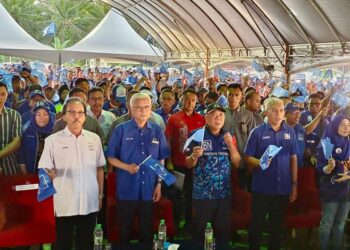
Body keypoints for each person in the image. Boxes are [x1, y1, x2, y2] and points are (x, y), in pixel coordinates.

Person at [38, 97, 105, 250]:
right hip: (63, 203)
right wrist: (48, 176)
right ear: (64, 116)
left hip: (89, 200)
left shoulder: (94, 139)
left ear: (85, 116)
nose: (76, 116)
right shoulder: (53, 140)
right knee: (62, 243)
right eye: (72, 112)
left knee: (86, 242)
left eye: (80, 112)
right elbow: (43, 170)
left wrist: (100, 195)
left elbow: (99, 168)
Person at [107, 93, 170, 248]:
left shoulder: (157, 130)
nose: (143, 111)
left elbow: (161, 158)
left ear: (151, 108)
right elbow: (111, 158)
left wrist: (160, 184)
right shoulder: (120, 129)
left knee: (146, 232)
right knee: (124, 232)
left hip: (149, 188)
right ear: (131, 109)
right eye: (139, 108)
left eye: (146, 107)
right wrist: (126, 167)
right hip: (127, 188)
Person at [244, 97, 298, 250]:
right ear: (266, 112)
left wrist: (294, 185)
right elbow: (247, 157)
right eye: (275, 110)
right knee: (257, 225)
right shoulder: (257, 132)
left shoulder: (290, 131)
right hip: (262, 187)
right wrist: (260, 163)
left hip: (283, 187)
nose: (279, 114)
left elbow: (293, 158)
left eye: (281, 110)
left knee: (277, 226)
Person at [186, 103, 240, 249]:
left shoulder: (229, 136)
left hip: (223, 193)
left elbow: (237, 162)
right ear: (206, 117)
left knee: (222, 232)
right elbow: (187, 164)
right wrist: (193, 156)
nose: (218, 118)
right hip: (203, 194)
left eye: (221, 115)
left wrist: (231, 146)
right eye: (214, 114)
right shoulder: (196, 135)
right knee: (200, 231)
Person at [165, 87, 205, 230]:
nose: (190, 102)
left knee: (192, 195)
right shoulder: (174, 119)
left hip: (195, 165)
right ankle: (175, 223)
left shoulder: (201, 119)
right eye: (187, 99)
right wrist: (168, 162)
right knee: (176, 195)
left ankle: (189, 223)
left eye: (193, 100)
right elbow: (167, 142)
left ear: (196, 102)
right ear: (182, 100)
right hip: (177, 164)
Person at [316, 115, 350, 250]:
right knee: (327, 223)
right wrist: (328, 168)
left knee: (340, 223)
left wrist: (348, 177)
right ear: (335, 126)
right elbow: (320, 168)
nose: (346, 128)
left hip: (347, 189)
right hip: (330, 187)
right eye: (342, 124)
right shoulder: (325, 143)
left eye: (348, 125)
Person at [223, 83, 256, 190]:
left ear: (241, 97)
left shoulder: (248, 115)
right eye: (230, 95)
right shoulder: (220, 113)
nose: (233, 98)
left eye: (236, 95)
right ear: (226, 95)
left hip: (242, 159)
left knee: (241, 189)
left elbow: (253, 140)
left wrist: (251, 162)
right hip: (224, 159)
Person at [18, 101, 55, 174]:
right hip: (31, 171)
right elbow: (21, 151)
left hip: (52, 173)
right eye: (38, 114)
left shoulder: (55, 132)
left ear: (50, 115)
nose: (42, 117)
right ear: (34, 116)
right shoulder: (27, 131)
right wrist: (23, 168)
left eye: (45, 114)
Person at [0, 82, 22, 175]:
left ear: (7, 95)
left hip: (10, 166)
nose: (0, 98)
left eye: (3, 94)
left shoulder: (14, 115)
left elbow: (16, 142)